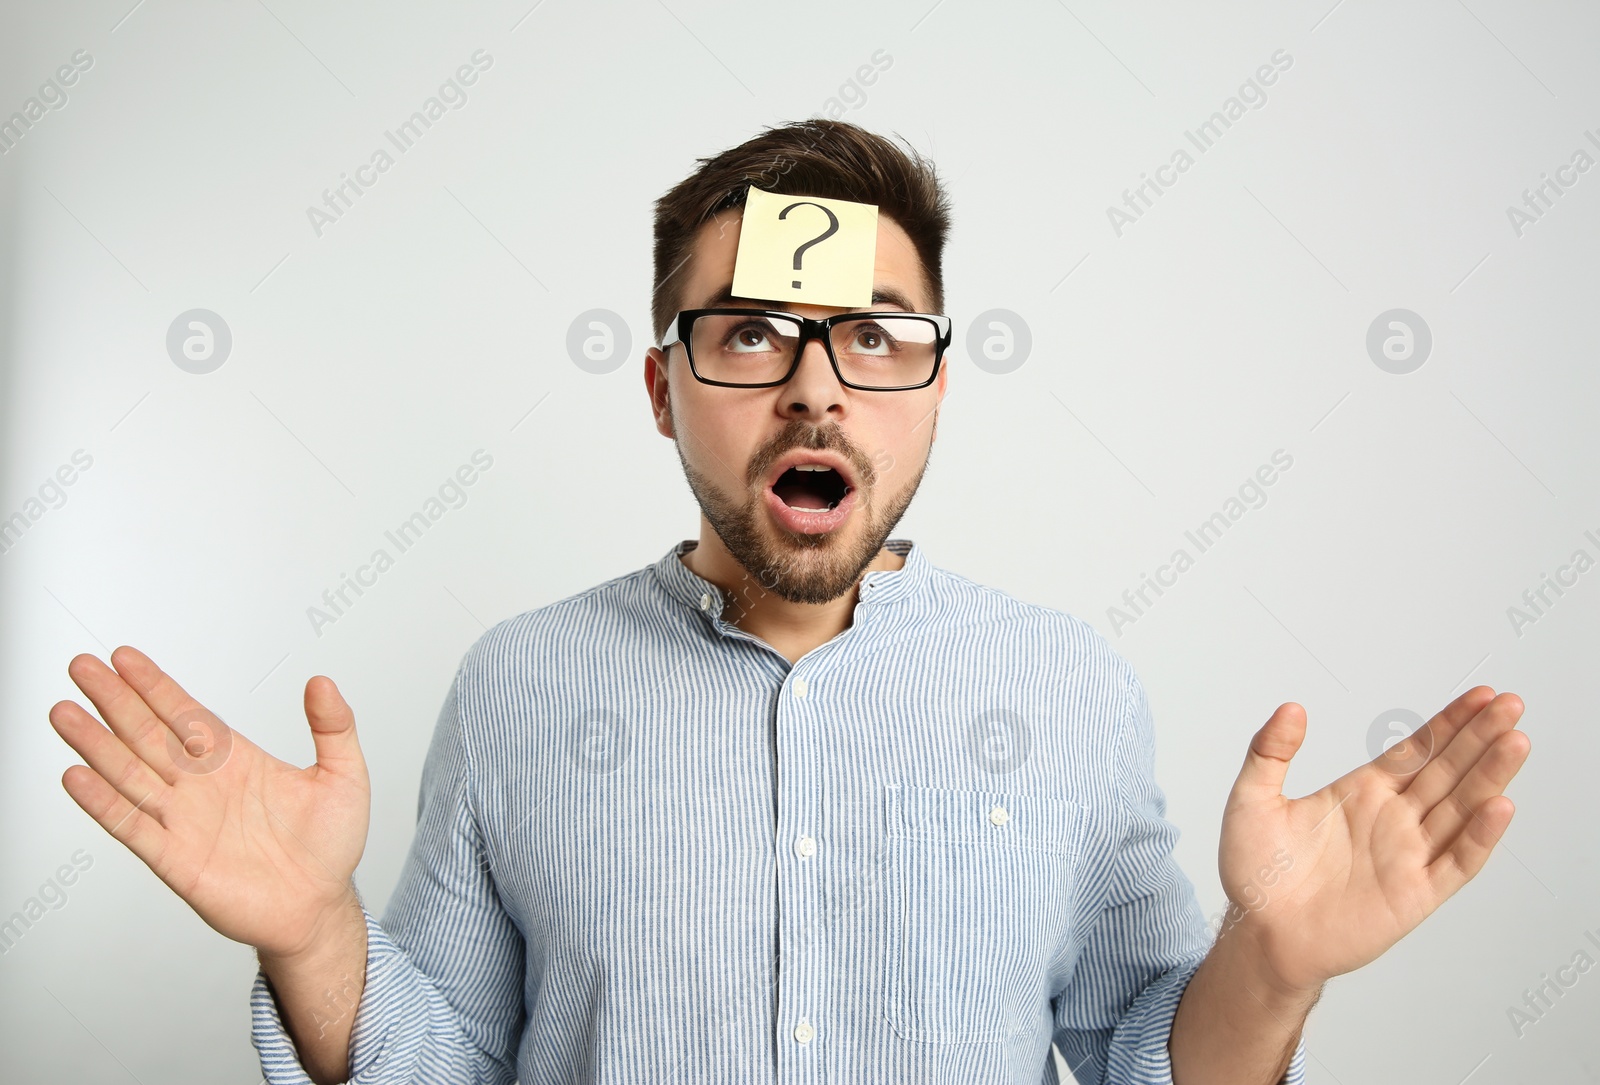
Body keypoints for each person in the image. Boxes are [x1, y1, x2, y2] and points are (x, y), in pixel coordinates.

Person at [48, 119, 1530, 1085]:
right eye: (750, 334)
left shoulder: (1070, 685)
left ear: (935, 385)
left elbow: (1151, 1055)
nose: (816, 387)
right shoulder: (520, 683)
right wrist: (315, 934)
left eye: (873, 338)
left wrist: (1268, 966)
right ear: (662, 387)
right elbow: (452, 1064)